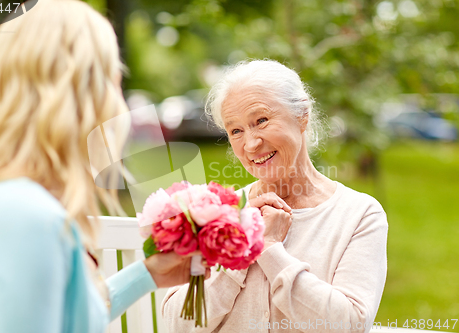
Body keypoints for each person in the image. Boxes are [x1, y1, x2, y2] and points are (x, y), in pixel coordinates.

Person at [0, 1, 208, 332]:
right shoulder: (26, 217)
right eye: (113, 77)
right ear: (83, 94)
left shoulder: (10, 202)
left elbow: (61, 318)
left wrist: (146, 275)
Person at [161, 60, 388, 333]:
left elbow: (349, 325)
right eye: (236, 131)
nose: (251, 144)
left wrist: (269, 249)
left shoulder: (359, 214)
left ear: (302, 115)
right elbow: (177, 325)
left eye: (261, 121)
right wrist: (242, 250)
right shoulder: (215, 211)